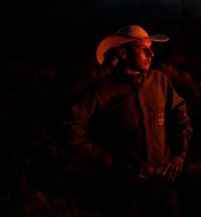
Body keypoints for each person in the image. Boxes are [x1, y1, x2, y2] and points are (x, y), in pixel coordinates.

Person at [67, 25, 192, 216]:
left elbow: (179, 111)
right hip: (126, 187)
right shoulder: (103, 92)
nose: (151, 54)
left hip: (162, 180)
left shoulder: (159, 81)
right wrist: (103, 158)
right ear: (123, 53)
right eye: (143, 49)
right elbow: (71, 125)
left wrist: (180, 153)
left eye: (151, 48)